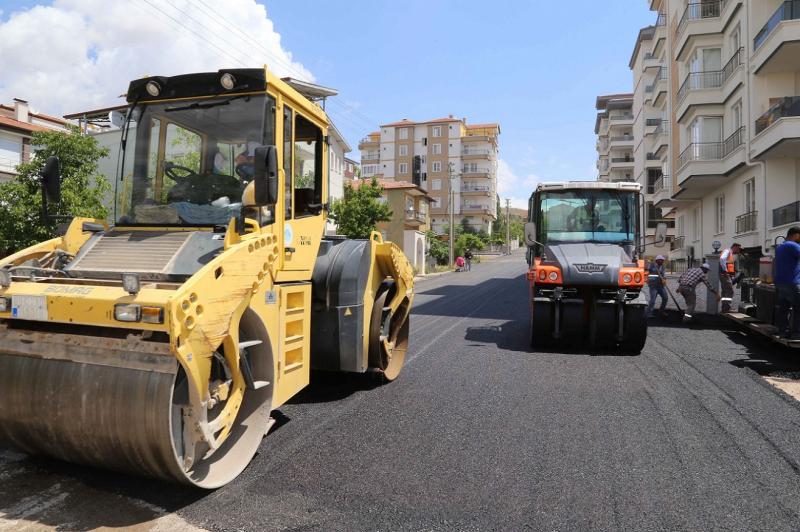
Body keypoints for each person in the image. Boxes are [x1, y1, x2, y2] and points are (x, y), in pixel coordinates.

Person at [774, 227, 800, 339]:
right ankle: (797, 333)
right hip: (792, 282)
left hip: (781, 283)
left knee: (784, 308)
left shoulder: (780, 247)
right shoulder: (793, 245)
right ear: (796, 235)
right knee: (798, 307)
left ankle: (782, 331)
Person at [718, 243, 742, 313]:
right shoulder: (727, 251)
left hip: (724, 274)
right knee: (730, 291)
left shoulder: (730, 253)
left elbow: (728, 264)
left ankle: (724, 308)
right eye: (738, 249)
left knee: (725, 291)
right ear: (734, 247)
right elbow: (722, 259)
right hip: (725, 274)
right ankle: (727, 308)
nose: (739, 251)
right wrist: (725, 271)